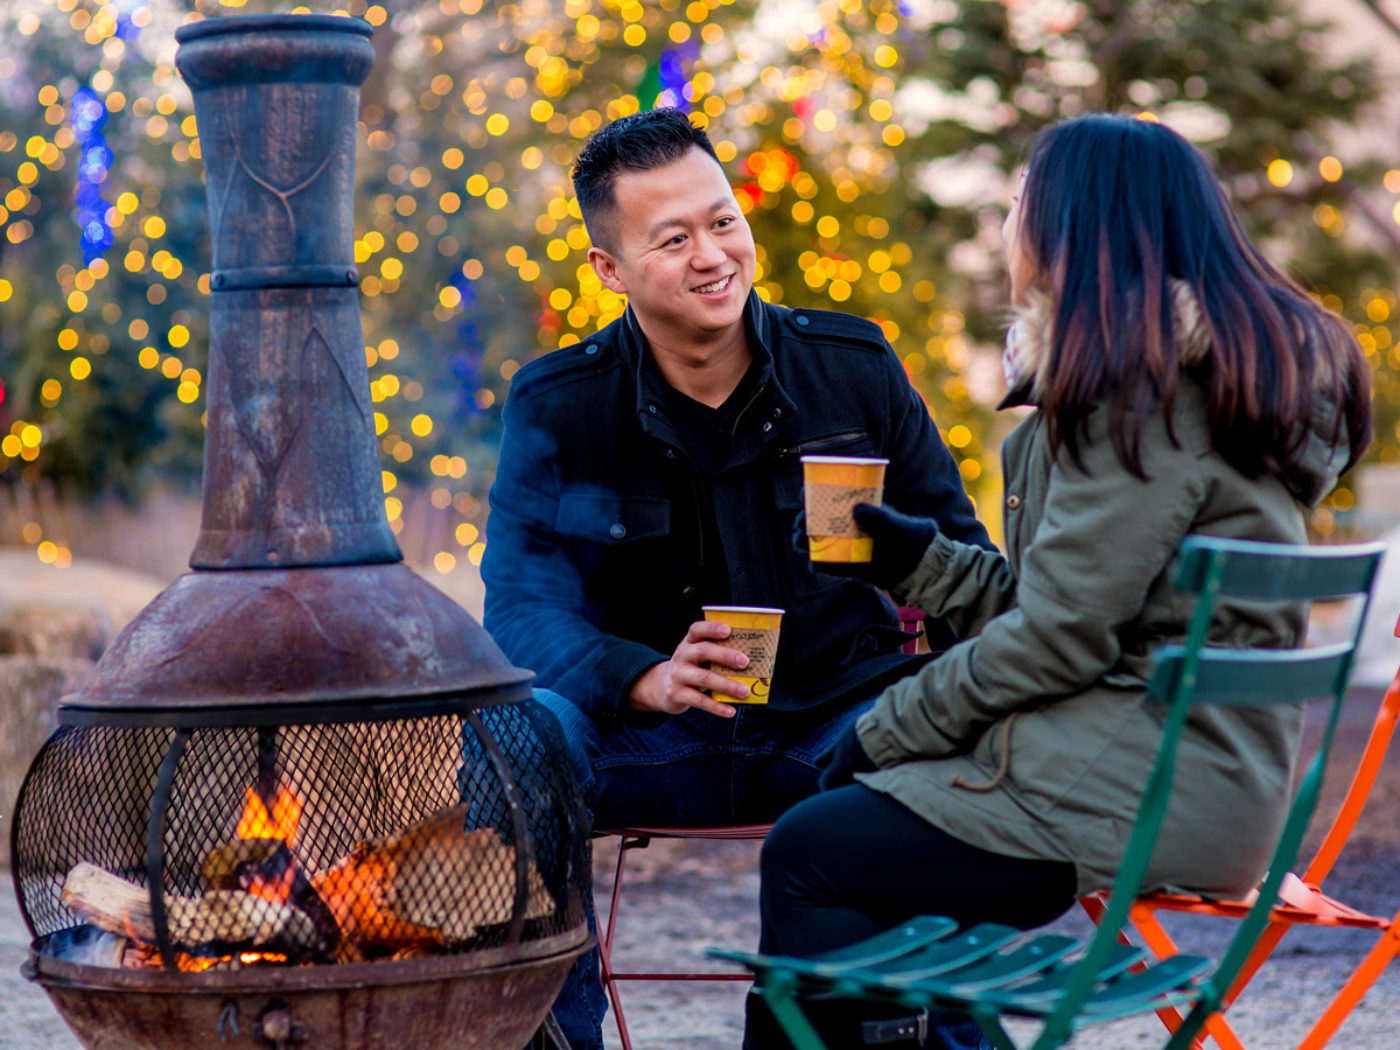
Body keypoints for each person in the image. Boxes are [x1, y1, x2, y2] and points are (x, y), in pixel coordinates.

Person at [746, 112, 1374, 1048]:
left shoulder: (1142, 401)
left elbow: (1058, 637)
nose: (1007, 226)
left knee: (812, 854)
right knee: (868, 860)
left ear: (1071, 229)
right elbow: (1083, 609)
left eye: (1017, 205)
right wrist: (922, 562)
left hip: (1154, 783)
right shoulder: (1176, 391)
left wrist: (882, 731)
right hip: (1180, 766)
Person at [480, 107, 994, 1050]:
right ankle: (552, 1039)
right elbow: (518, 606)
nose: (713, 253)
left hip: (829, 722)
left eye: (723, 220)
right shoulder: (559, 405)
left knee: (916, 739)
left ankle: (843, 1034)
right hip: (642, 745)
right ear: (611, 270)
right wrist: (642, 676)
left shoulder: (854, 369)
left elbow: (968, 564)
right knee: (517, 737)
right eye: (672, 239)